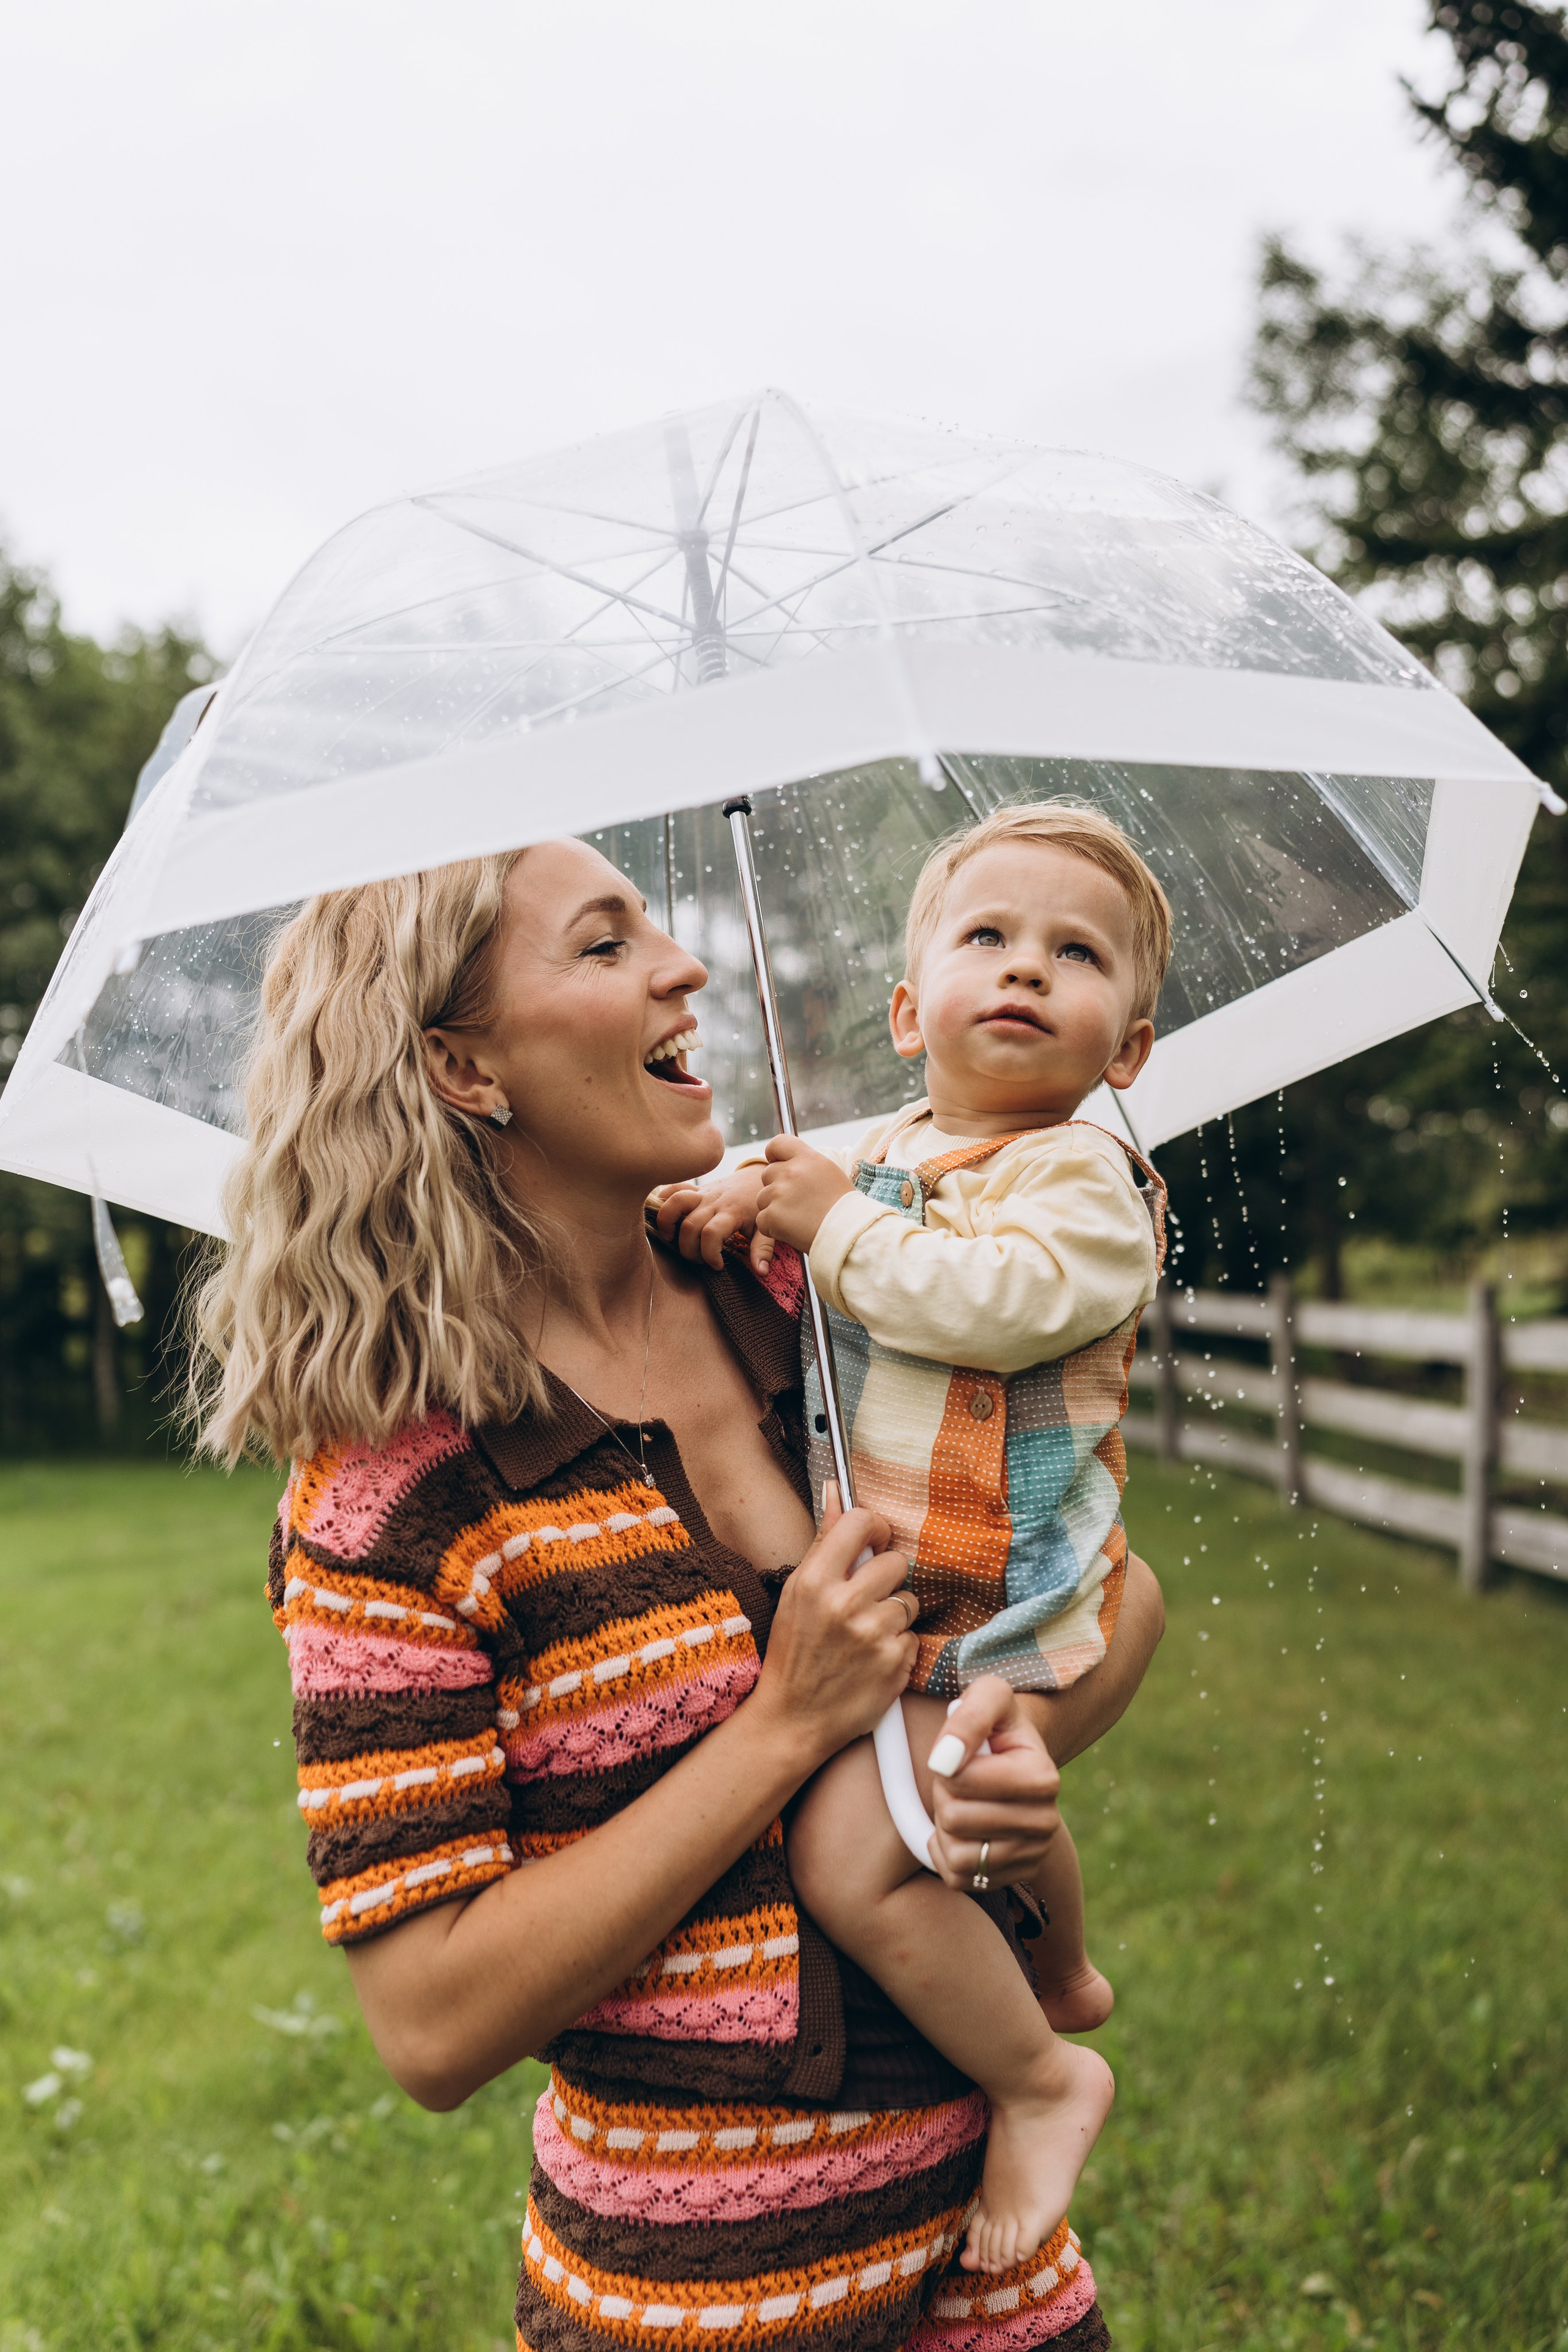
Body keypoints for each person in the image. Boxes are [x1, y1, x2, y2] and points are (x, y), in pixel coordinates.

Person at [188, 834, 1165, 2352]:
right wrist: (780, 1731)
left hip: (996, 2274)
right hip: (696, 2303)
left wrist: (1013, 1757)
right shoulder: (399, 1495)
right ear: (462, 1066)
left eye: (656, 929)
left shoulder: (800, 1294)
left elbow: (1108, 1584)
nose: (683, 966)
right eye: (601, 947)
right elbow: (433, 2027)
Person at [657, 804, 1170, 2275]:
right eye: (986, 938)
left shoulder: (1084, 1186)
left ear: (1122, 1050)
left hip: (1009, 1582)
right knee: (989, 1793)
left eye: (1073, 956)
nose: (1024, 969)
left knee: (866, 1856)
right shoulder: (875, 1147)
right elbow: (784, 1192)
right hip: (915, 1580)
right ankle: (1061, 1972)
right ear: (906, 1010)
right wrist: (723, 1202)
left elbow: (983, 1304)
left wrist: (826, 1226)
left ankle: (1040, 2069)